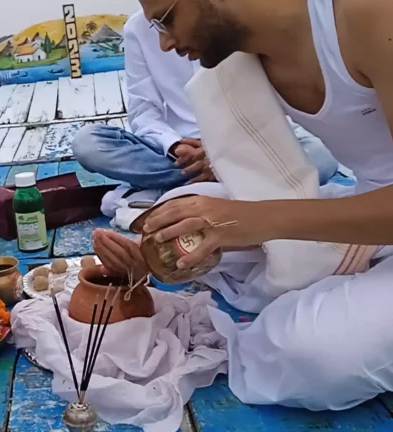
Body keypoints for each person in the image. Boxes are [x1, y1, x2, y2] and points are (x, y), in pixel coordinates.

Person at [94, 0, 393, 413]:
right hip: (368, 209)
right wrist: (161, 256)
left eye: (166, 19)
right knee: (183, 210)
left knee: (313, 354)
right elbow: (264, 185)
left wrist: (254, 222)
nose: (164, 42)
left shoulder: (369, 16)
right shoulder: (244, 57)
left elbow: (263, 212)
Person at [71, 9, 339, 195]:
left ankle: (204, 183)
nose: (165, 42)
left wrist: (225, 154)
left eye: (167, 19)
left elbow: (270, 106)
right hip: (179, 156)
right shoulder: (138, 29)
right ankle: (234, 182)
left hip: (248, 147)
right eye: (159, 25)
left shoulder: (236, 20)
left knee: (323, 156)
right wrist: (173, 145)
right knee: (89, 144)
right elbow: (143, 112)